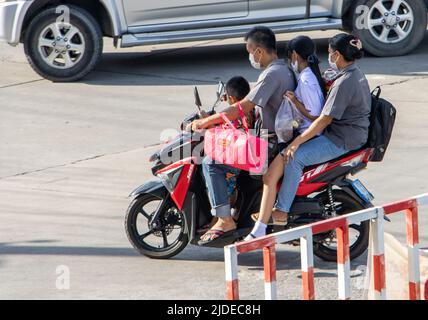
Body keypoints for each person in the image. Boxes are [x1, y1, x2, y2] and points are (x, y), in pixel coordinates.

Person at [245, 33, 372, 240]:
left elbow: (322, 119)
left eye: (330, 53)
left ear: (338, 55)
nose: (328, 57)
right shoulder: (354, 73)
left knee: (294, 158)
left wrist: (295, 143)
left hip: (342, 138)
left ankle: (282, 211)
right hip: (348, 132)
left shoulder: (344, 82)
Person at [188, 26, 296, 245]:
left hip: (269, 145)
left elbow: (243, 106)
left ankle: (225, 219)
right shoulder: (284, 69)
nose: (250, 57)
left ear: (258, 51)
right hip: (274, 138)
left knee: (211, 162)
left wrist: (205, 122)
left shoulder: (272, 74)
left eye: (249, 51)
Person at [196, 76, 252, 235]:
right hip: (242, 155)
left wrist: (206, 123)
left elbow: (226, 136)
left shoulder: (237, 113)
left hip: (238, 159)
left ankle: (221, 219)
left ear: (232, 98)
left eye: (226, 97)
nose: (225, 99)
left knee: (210, 164)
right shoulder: (246, 108)